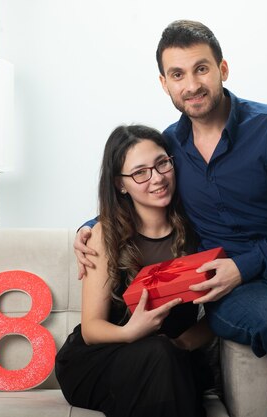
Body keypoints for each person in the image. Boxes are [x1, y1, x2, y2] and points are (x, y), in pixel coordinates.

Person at [74, 20, 267, 417]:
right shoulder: (170, 146)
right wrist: (89, 228)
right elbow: (137, 187)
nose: (191, 84)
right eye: (177, 74)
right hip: (233, 291)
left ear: (222, 69)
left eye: (201, 69)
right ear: (164, 83)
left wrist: (243, 267)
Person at [56, 124, 215, 417]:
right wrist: (132, 332)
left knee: (163, 358)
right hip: (102, 357)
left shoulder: (199, 232)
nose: (157, 178)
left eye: (162, 164)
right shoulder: (104, 235)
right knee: (158, 356)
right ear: (120, 184)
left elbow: (218, 316)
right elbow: (92, 330)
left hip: (172, 355)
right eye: (140, 172)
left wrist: (180, 342)